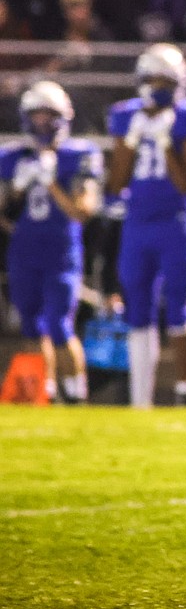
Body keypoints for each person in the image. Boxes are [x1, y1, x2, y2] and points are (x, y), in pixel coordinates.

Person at [107, 44, 186, 408]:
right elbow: (117, 182)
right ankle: (141, 399)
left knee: (179, 307)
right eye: (151, 80)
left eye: (164, 80)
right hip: (138, 223)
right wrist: (133, 139)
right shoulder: (127, 117)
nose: (156, 87)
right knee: (137, 310)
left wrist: (166, 141)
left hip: (176, 223)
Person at [0, 82, 102, 403]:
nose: (43, 123)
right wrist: (16, 190)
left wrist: (52, 183)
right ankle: (48, 389)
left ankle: (77, 392)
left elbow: (82, 211)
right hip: (25, 251)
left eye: (49, 116)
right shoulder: (13, 157)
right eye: (37, 116)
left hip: (62, 252)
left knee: (60, 325)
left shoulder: (79, 154)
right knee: (32, 325)